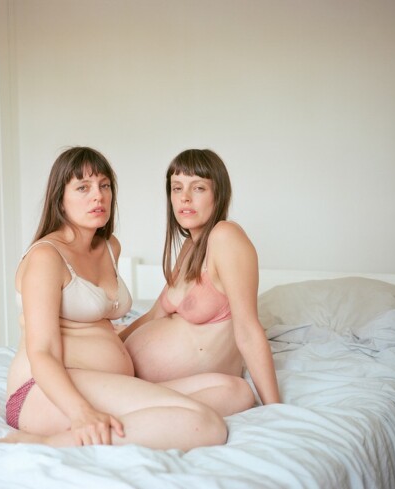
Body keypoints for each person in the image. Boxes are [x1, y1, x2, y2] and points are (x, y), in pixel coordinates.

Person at [0, 146, 228, 450]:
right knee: (206, 425)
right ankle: (45, 443)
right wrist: (81, 413)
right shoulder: (46, 257)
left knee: (234, 390)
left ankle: (143, 416)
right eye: (83, 187)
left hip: (104, 383)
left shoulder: (109, 247)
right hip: (48, 391)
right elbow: (42, 351)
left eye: (104, 185)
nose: (98, 196)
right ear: (60, 199)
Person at [120, 149, 281, 410]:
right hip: (138, 378)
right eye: (176, 188)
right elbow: (154, 315)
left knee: (241, 394)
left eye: (198, 188)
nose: (184, 197)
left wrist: (276, 409)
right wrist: (114, 346)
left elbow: (248, 331)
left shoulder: (226, 237)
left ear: (218, 193)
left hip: (194, 385)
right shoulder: (189, 247)